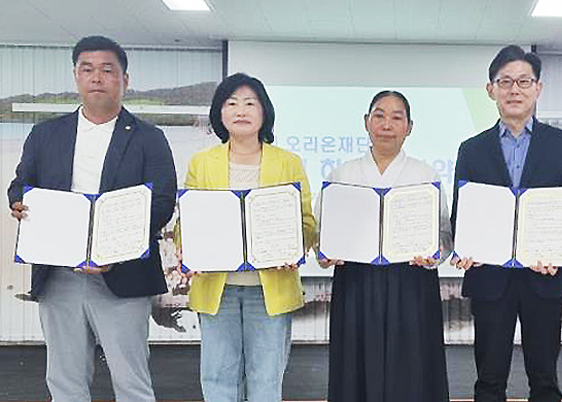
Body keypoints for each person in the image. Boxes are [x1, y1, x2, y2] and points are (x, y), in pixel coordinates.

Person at [7, 35, 177, 402]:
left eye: (107, 70)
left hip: (124, 275)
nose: (96, 77)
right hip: (58, 275)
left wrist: (115, 248)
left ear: (124, 80)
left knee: (131, 381)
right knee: (64, 380)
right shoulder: (45, 134)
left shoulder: (149, 138)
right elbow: (21, 184)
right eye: (87, 69)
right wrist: (17, 201)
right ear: (76, 77)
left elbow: (162, 201)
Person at [451, 45, 562, 402]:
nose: (515, 89)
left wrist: (558, 252)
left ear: (537, 88)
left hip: (545, 276)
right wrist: (466, 247)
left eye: (524, 81)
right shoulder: (471, 149)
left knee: (545, 380)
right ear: (491, 90)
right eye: (505, 81)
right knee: (488, 380)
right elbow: (461, 211)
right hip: (489, 277)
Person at [183, 72, 316, 402]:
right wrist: (189, 251)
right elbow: (186, 221)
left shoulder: (288, 162)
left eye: (250, 103)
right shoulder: (202, 162)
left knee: (266, 379)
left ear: (264, 111)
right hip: (217, 288)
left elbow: (306, 222)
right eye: (231, 103)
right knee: (218, 377)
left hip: (270, 288)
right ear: (220, 112)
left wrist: (295, 248)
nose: (240, 110)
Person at [318, 90, 452, 402]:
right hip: (356, 282)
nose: (387, 125)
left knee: (412, 370)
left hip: (412, 283)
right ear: (366, 122)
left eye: (396, 117)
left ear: (409, 127)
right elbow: (322, 235)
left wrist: (434, 255)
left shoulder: (426, 175)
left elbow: (445, 234)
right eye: (379, 115)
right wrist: (324, 254)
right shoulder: (342, 174)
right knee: (355, 367)